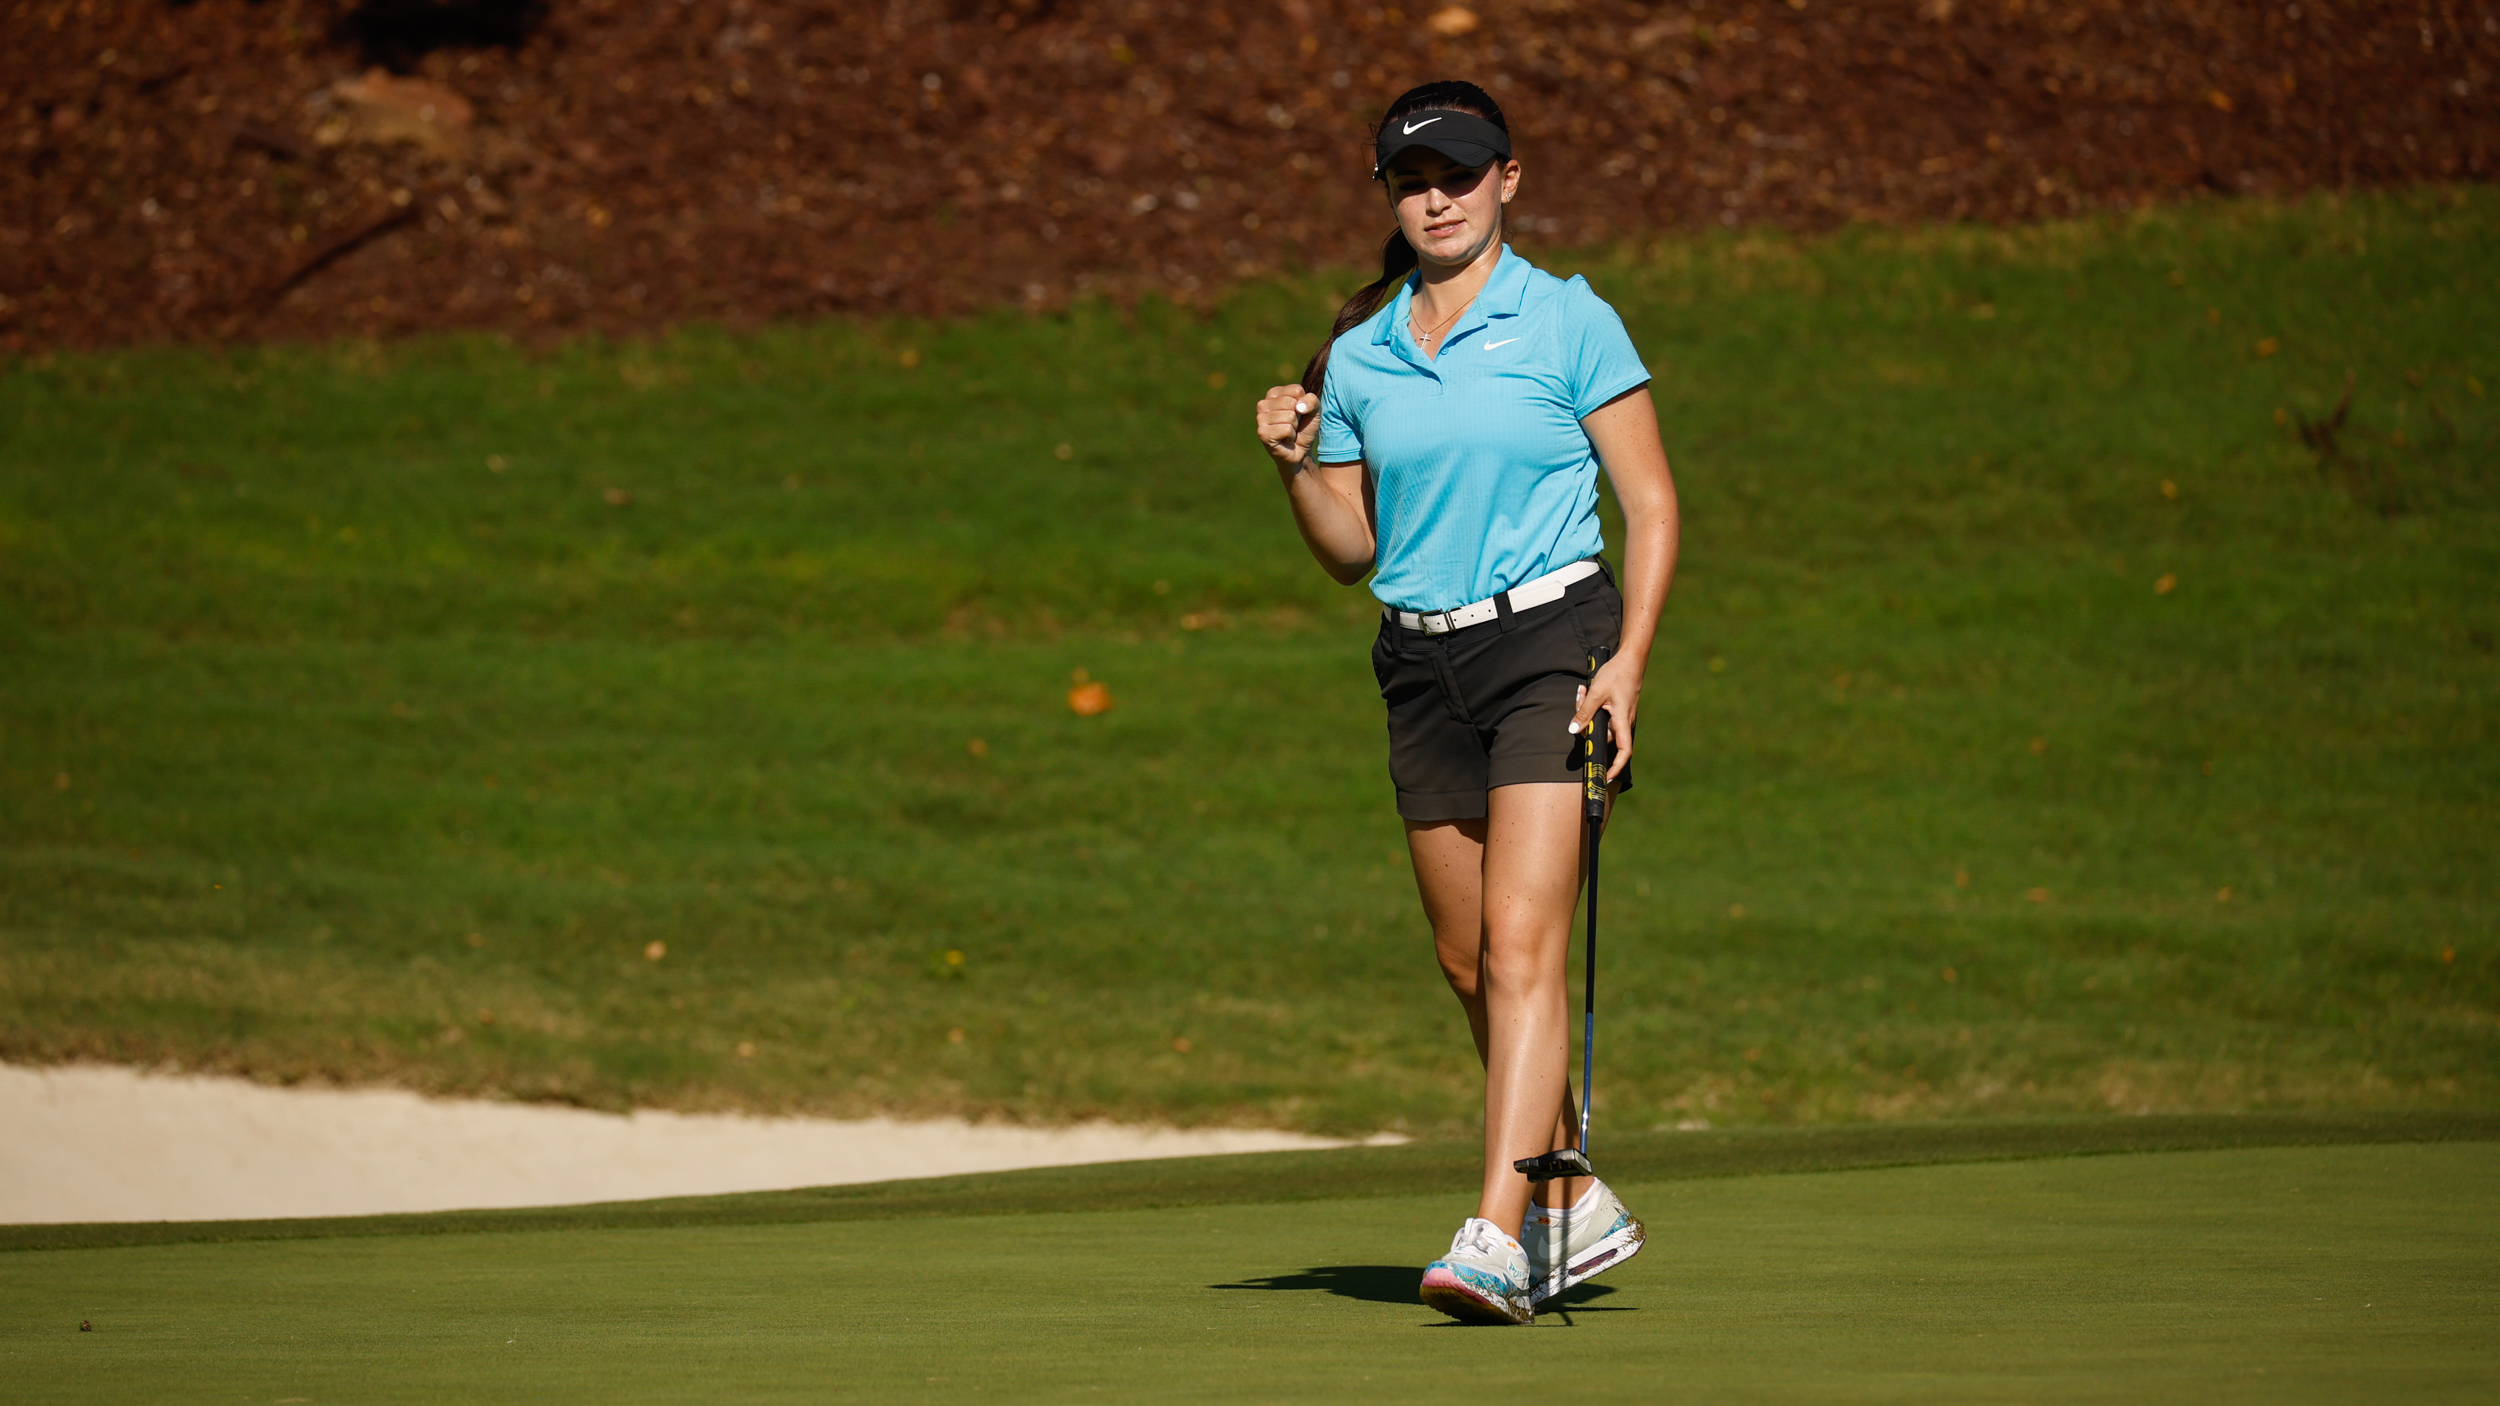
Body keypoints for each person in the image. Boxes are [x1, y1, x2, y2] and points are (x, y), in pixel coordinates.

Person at [1252, 80, 1681, 1325]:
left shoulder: (1567, 320)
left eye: (1457, 172)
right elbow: (1348, 546)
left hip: (1555, 640)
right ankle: (1571, 1194)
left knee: (1522, 946)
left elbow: (1649, 504)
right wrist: (1292, 467)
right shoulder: (1365, 352)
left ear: (1507, 178)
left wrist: (1627, 663)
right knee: (1464, 957)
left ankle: (1497, 1228)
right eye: (1410, 178)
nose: (1433, 197)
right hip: (1420, 661)